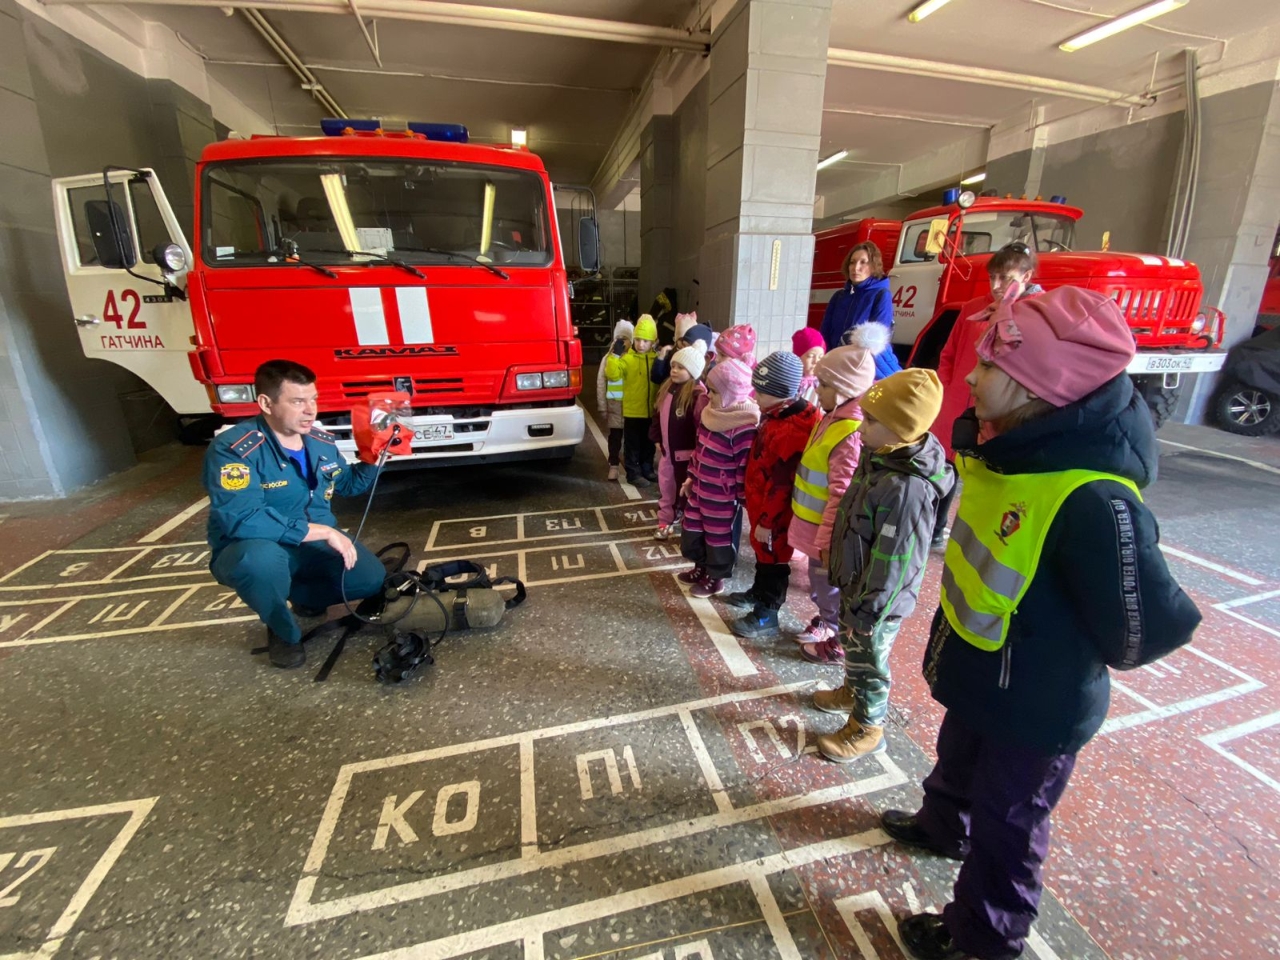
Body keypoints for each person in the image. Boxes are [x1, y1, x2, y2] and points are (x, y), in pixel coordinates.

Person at [882, 286, 1202, 960]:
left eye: (992, 367)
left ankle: (984, 942)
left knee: (1009, 828)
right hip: (982, 668)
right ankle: (943, 826)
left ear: (1042, 389)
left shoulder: (1092, 497)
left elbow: (1143, 624)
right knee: (958, 765)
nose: (969, 374)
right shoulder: (1009, 449)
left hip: (1035, 705)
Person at [204, 360, 387, 669]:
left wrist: (374, 457)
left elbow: (347, 484)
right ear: (266, 403)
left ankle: (302, 596)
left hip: (309, 543)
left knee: (370, 579)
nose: (310, 410)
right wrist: (326, 533)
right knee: (260, 563)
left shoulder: (320, 442)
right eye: (298, 401)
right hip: (255, 545)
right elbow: (243, 519)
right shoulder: (234, 450)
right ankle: (281, 628)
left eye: (313, 399)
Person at [812, 368, 952, 762]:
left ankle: (868, 726)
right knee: (854, 651)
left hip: (877, 602)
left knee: (870, 660)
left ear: (900, 429)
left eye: (871, 421)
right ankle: (851, 691)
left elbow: (895, 564)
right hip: (857, 584)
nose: (860, 426)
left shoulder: (907, 488)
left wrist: (870, 608)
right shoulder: (879, 459)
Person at [929, 243, 1043, 548]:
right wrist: (946, 388)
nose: (995, 286)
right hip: (959, 404)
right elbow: (949, 353)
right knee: (947, 468)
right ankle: (936, 527)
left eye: (1005, 278)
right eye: (992, 277)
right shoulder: (973, 309)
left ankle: (981, 538)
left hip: (1002, 413)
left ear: (1027, 275)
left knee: (989, 476)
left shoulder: (1037, 315)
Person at [789, 325, 884, 659]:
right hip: (813, 526)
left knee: (828, 587)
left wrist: (826, 540)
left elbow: (840, 493)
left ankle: (838, 638)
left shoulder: (849, 431)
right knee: (820, 587)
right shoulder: (831, 416)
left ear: (845, 389)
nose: (817, 387)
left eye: (825, 384)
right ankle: (828, 620)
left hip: (825, 534)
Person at [725, 351, 822, 638]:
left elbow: (782, 484)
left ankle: (768, 612)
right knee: (763, 554)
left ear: (780, 394)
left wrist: (767, 521)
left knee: (775, 559)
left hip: (776, 513)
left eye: (761, 391)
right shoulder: (776, 414)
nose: (754, 395)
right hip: (762, 503)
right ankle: (758, 592)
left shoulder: (793, 429)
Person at [678, 358, 760, 598]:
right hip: (700, 489)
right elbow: (698, 450)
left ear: (731, 393)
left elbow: (745, 468)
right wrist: (691, 477)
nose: (709, 396)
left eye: (714, 392)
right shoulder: (710, 414)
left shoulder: (744, 425)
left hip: (722, 498)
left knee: (718, 539)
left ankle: (716, 578)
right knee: (692, 532)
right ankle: (700, 567)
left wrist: (743, 499)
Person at [651, 341, 709, 540]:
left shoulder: (697, 395)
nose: (674, 370)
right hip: (668, 452)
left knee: (686, 492)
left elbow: (702, 428)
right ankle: (665, 520)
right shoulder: (668, 388)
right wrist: (656, 437)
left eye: (680, 367)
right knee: (666, 488)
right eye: (673, 366)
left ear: (693, 371)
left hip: (687, 457)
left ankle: (688, 524)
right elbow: (657, 413)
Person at [819, 242, 901, 380]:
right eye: (852, 262)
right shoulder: (839, 296)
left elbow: (877, 340)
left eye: (863, 262)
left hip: (861, 371)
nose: (856, 268)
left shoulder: (881, 295)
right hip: (835, 366)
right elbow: (824, 333)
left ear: (873, 266)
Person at [605, 314, 660, 484]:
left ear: (653, 342)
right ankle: (633, 473)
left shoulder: (656, 360)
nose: (641, 344)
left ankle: (647, 468)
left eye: (645, 341)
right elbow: (612, 375)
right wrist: (614, 356)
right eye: (637, 340)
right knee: (632, 446)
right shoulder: (627, 358)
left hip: (651, 411)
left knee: (648, 445)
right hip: (632, 412)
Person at [596, 319, 634, 482]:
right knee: (615, 438)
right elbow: (601, 383)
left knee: (632, 439)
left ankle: (631, 464)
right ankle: (613, 464)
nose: (621, 342)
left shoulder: (634, 358)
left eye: (625, 338)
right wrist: (602, 407)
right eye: (618, 338)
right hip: (614, 407)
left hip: (633, 408)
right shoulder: (608, 359)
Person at [792, 326, 825, 405]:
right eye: (811, 356)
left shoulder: (824, 382)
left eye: (820, 357)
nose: (816, 361)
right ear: (798, 357)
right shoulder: (792, 381)